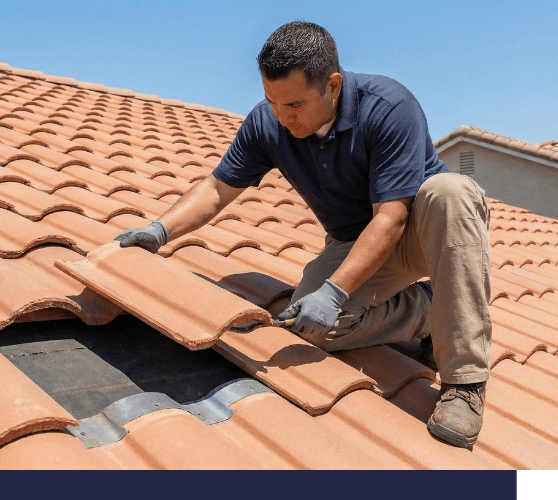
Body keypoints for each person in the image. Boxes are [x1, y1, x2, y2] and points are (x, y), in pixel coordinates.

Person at [114, 21, 491, 449]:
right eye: (273, 102)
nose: (282, 116)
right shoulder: (269, 122)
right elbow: (218, 189)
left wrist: (334, 292)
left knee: (452, 190)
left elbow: (391, 219)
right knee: (314, 328)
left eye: (293, 104)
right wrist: (159, 230)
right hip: (356, 243)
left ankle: (466, 382)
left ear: (332, 85)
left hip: (429, 232)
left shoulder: (388, 106)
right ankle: (425, 313)